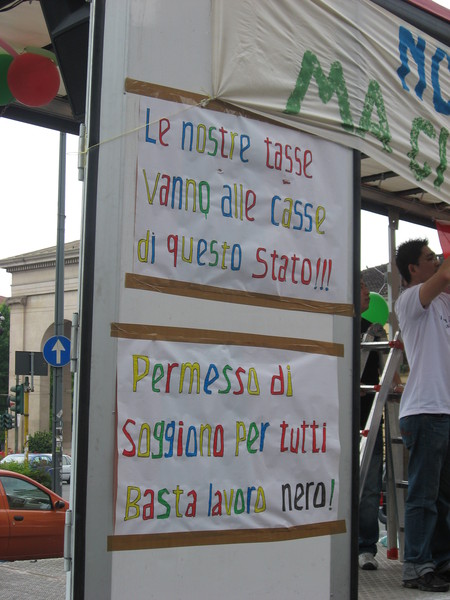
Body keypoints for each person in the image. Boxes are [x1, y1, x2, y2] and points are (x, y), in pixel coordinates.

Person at [395, 239, 450, 592]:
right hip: (425, 409)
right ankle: (416, 565)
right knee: (424, 496)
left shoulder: (443, 300)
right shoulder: (409, 299)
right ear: (413, 268)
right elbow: (444, 275)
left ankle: (440, 560)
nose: (437, 261)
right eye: (430, 258)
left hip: (443, 409)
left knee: (442, 498)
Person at [358, 278, 403, 570]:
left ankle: (365, 548)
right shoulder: (335, 329)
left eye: (366, 288)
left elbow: (390, 374)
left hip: (368, 420)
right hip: (335, 422)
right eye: (361, 288)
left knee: (370, 487)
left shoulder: (374, 332)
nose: (366, 293)